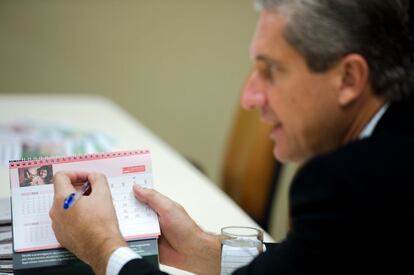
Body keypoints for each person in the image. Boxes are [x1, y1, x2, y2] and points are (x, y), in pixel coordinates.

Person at [49, 0, 414, 274]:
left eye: (271, 70)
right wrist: (202, 249)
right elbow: (319, 261)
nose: (249, 98)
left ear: (349, 78)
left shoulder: (350, 182)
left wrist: (103, 248)